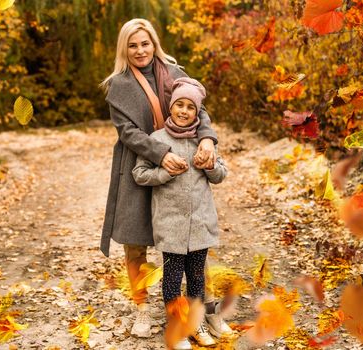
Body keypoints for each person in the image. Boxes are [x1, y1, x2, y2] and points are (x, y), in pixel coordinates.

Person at [99, 18, 220, 338]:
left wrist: (207, 138)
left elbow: (200, 111)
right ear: (124, 48)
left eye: (145, 43)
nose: (140, 50)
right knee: (135, 243)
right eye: (133, 45)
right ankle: (142, 308)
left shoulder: (175, 73)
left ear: (154, 43)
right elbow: (128, 133)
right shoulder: (118, 85)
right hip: (139, 164)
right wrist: (160, 154)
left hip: (183, 162)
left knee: (193, 237)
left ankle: (205, 305)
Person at [132, 77, 228, 349]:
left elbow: (221, 173)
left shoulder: (205, 140)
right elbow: (139, 174)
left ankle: (195, 322)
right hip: (170, 223)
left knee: (197, 277)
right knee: (173, 277)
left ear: (198, 113)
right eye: (179, 105)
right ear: (171, 107)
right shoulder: (157, 140)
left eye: (191, 107)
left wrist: (209, 165)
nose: (184, 111)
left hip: (200, 223)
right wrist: (164, 172)